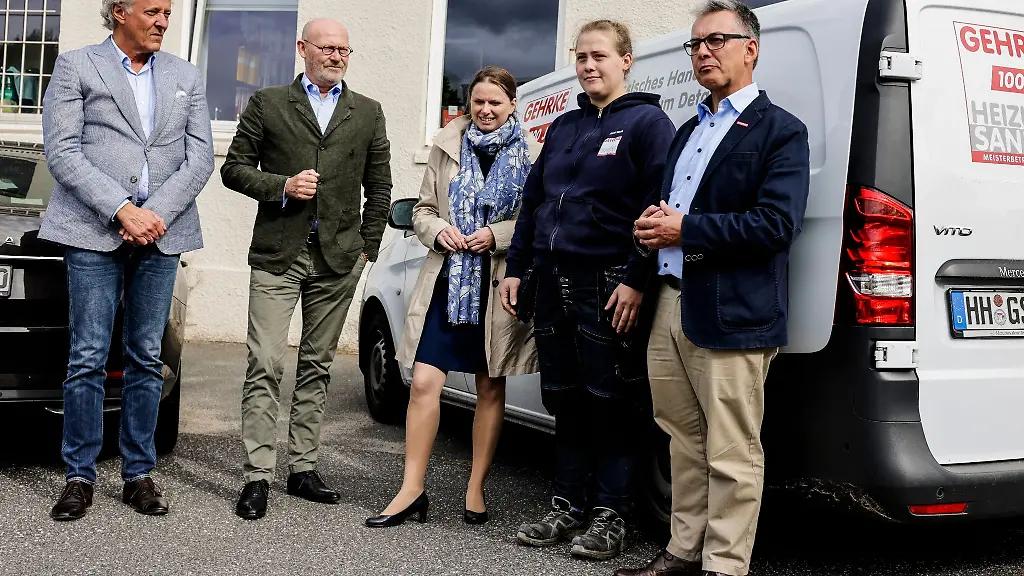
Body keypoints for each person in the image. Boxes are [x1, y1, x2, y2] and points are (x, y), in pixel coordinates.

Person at [618, 2, 811, 575]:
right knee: (682, 441)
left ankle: (724, 566)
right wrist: (649, 238)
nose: (703, 51)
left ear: (751, 48)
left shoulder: (780, 131)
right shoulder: (688, 132)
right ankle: (683, 552)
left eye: (716, 40)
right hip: (671, 303)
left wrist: (684, 228)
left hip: (734, 311)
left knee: (732, 452)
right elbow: (670, 216)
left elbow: (777, 226)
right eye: (696, 44)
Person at [499, 19, 675, 561]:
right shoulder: (565, 127)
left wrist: (634, 280)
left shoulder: (649, 124)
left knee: (611, 401)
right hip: (552, 281)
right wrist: (516, 267)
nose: (589, 65)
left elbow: (657, 210)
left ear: (627, 61)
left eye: (599, 55)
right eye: (581, 57)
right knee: (566, 399)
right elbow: (533, 206)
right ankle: (567, 507)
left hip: (607, 284)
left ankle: (611, 514)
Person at [42, 0, 215, 521]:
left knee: (145, 354)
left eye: (168, 12)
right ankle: (79, 474)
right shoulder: (77, 65)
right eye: (154, 10)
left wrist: (154, 213)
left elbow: (200, 156)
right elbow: (63, 150)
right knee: (88, 354)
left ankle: (139, 473)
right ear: (119, 11)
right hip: (93, 229)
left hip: (162, 233)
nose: (165, 20)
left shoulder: (186, 74)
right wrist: (121, 209)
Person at [221, 17, 392, 520]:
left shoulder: (367, 112)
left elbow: (379, 186)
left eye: (344, 49)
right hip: (280, 252)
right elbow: (233, 168)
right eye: (327, 47)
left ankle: (302, 468)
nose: (337, 56)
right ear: (303, 49)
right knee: (266, 363)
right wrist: (282, 186)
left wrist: (369, 248)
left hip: (339, 258)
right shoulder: (268, 104)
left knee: (317, 364)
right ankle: (257, 475)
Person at [365, 66, 540, 528]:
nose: (485, 110)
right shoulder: (446, 146)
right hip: (447, 280)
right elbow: (422, 210)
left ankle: (476, 487)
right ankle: (411, 490)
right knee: (423, 382)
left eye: (495, 103)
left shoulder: (531, 156)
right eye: (478, 102)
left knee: (489, 385)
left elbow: (533, 221)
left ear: (511, 105)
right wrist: (437, 227)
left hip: (497, 282)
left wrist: (494, 234)